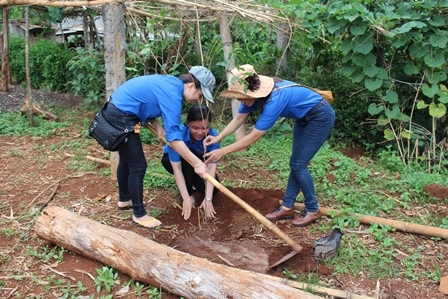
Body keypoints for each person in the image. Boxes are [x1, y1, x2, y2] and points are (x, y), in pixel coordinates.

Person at [204, 64, 335, 227]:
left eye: (243, 96)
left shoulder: (275, 98)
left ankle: (313, 209)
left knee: (298, 164)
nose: (241, 100)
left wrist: (223, 151)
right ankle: (287, 207)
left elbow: (255, 136)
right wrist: (219, 138)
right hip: (303, 119)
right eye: (239, 96)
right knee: (296, 163)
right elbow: (238, 119)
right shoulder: (251, 98)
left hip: (320, 117)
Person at [106, 66, 216, 229]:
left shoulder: (171, 84)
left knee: (126, 159)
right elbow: (174, 138)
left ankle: (125, 199)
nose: (198, 99)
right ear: (192, 86)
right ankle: (139, 214)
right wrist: (198, 163)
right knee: (138, 165)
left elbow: (146, 103)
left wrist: (157, 125)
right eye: (200, 95)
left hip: (120, 112)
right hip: (123, 117)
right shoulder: (173, 95)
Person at [161, 104, 220, 220]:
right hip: (177, 162)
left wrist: (208, 199)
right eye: (195, 128)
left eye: (205, 128)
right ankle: (188, 191)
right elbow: (177, 168)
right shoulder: (178, 137)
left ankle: (191, 180)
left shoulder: (213, 137)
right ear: (187, 123)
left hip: (200, 166)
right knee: (186, 164)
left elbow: (212, 168)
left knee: (215, 189)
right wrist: (186, 197)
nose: (200, 132)